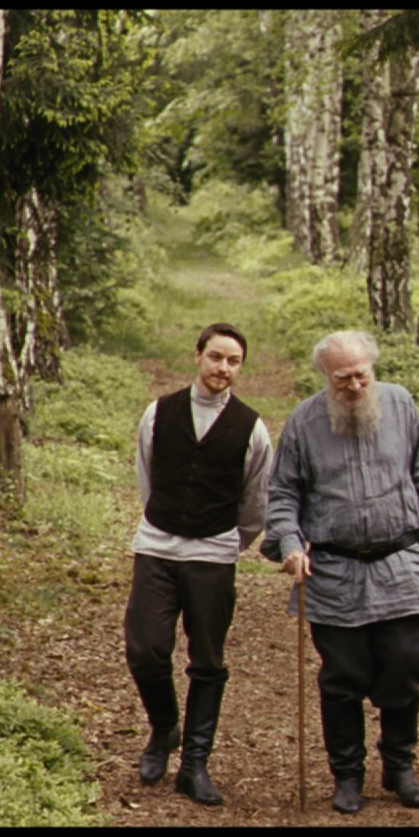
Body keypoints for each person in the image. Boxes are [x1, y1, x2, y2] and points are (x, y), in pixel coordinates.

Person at [265, 329, 419, 814]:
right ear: (325, 376)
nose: (354, 386)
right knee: (343, 677)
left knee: (405, 665)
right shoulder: (304, 422)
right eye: (343, 378)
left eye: (361, 376)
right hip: (333, 570)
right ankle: (347, 775)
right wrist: (290, 544)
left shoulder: (401, 404)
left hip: (399, 563)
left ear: (373, 369)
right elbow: (283, 493)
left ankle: (400, 766)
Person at [125, 323, 272, 806]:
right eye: (215, 357)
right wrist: (167, 522)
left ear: (240, 367)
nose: (222, 368)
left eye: (233, 361)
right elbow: (147, 476)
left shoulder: (251, 428)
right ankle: (164, 727)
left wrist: (226, 543)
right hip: (157, 547)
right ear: (198, 356)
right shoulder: (159, 412)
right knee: (145, 649)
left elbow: (256, 502)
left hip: (213, 556)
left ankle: (195, 764)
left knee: (207, 660)